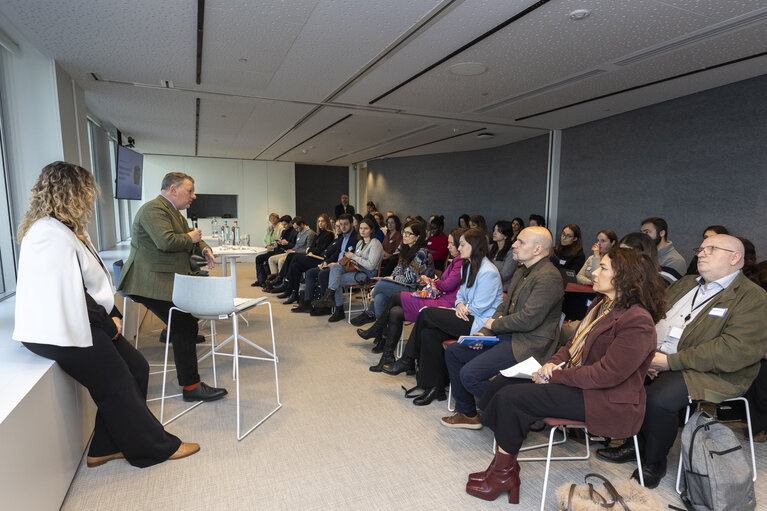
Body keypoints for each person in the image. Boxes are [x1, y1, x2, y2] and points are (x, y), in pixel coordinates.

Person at [12, 162, 199, 468]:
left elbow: (89, 280)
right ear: (72, 191)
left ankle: (104, 446)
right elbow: (68, 292)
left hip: (77, 321)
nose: (91, 198)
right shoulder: (48, 233)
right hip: (59, 330)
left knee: (137, 367)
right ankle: (152, 448)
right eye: (87, 191)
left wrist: (110, 313)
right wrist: (108, 323)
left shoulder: (65, 230)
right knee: (116, 382)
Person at [466, 247, 666, 503]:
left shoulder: (638, 320)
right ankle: (503, 466)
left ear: (626, 277)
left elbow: (608, 375)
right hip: (582, 382)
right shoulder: (602, 304)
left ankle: (503, 473)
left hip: (607, 399)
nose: (594, 271)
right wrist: (552, 364)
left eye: (603, 268)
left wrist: (554, 377)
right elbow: (571, 344)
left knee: (512, 398)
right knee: (504, 381)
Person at [596, 234, 767, 488]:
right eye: (701, 248)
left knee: (658, 398)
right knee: (622, 377)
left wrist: (669, 362)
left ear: (735, 258)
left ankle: (654, 461)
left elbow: (733, 350)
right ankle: (636, 444)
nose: (701, 253)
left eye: (711, 249)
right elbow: (650, 317)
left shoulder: (752, 297)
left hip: (714, 372)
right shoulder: (686, 283)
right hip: (659, 358)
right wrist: (645, 357)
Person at [117, 171, 226, 402]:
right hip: (148, 281)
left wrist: (204, 248)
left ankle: (172, 334)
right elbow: (167, 241)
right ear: (173, 190)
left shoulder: (174, 213)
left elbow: (191, 238)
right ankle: (191, 386)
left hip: (165, 277)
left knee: (186, 319)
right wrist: (193, 239)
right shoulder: (154, 209)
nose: (193, 196)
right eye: (190, 191)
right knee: (184, 323)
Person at [440, 226, 564, 427]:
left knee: (469, 374)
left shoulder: (549, 276)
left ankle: (521, 411)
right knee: (454, 352)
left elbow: (529, 319)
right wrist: (484, 333)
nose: (514, 244)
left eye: (521, 242)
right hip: (507, 336)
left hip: (527, 344)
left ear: (537, 249)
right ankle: (468, 414)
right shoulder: (522, 272)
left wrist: (495, 324)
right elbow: (503, 307)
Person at [383, 228, 504, 406]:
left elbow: (480, 307)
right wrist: (460, 304)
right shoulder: (469, 266)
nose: (459, 248)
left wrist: (464, 306)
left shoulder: (489, 272)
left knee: (425, 313)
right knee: (429, 334)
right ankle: (434, 387)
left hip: (478, 324)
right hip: (464, 315)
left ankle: (408, 359)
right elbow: (461, 295)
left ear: (475, 246)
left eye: (462, 244)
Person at [364, 228, 465, 371]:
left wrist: (431, 281)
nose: (448, 246)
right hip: (438, 296)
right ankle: (387, 356)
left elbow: (447, 285)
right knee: (395, 311)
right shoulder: (407, 252)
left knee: (394, 296)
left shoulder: (458, 260)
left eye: (452, 244)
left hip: (443, 302)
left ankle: (377, 328)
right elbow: (398, 271)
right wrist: (432, 281)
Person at [350, 220, 433, 326]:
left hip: (418, 290)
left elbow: (410, 279)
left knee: (381, 284)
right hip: (406, 286)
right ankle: (382, 332)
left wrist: (388, 280)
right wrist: (391, 278)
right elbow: (397, 270)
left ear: (417, 237)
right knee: (379, 298)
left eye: (409, 233)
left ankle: (370, 314)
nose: (404, 235)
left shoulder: (422, 253)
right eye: (404, 232)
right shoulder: (406, 249)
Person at [312, 217, 383, 322]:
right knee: (335, 267)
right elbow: (355, 261)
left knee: (336, 280)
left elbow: (371, 265)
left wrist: (353, 257)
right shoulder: (360, 243)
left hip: (367, 274)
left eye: (366, 228)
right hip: (356, 269)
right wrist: (348, 260)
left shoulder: (375, 243)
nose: (362, 231)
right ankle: (330, 297)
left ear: (372, 230)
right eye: (361, 228)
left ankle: (338, 308)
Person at [290, 213, 358, 313]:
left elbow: (350, 257)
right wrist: (326, 262)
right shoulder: (342, 237)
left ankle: (326, 306)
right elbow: (335, 255)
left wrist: (334, 264)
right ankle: (307, 303)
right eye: (340, 225)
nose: (342, 227)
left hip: (344, 267)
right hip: (334, 264)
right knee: (310, 273)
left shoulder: (355, 238)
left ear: (352, 224)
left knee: (322, 274)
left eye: (345, 224)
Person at [273, 214, 334, 301]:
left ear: (327, 222)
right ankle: (293, 292)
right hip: (312, 256)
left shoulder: (329, 234)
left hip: (319, 259)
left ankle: (286, 283)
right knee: (295, 266)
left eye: (322, 221)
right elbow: (312, 247)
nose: (320, 223)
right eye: (319, 221)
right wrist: (311, 250)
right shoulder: (319, 234)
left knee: (294, 257)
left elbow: (320, 249)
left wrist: (310, 250)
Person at [264, 216, 316, 290]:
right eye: (295, 228)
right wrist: (291, 250)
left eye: (297, 228)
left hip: (301, 255)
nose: (296, 230)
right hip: (293, 253)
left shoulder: (310, 234)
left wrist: (294, 251)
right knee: (271, 259)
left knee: (282, 261)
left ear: (301, 225)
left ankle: (281, 281)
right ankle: (277, 279)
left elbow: (308, 249)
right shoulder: (300, 232)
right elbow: (297, 246)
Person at [252, 215, 294, 287]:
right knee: (258, 258)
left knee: (271, 259)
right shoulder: (277, 230)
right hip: (275, 249)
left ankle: (275, 281)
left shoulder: (289, 230)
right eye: (270, 218)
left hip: (282, 251)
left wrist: (284, 244)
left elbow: (292, 245)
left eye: (274, 218)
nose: (284, 226)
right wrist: (278, 243)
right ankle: (262, 281)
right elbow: (266, 239)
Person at [489, 220, 518, 289]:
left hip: (503, 288)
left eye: (498, 231)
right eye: (494, 230)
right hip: (489, 285)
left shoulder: (511, 252)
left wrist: (486, 279)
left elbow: (505, 275)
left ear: (506, 235)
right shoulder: (490, 247)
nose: (494, 233)